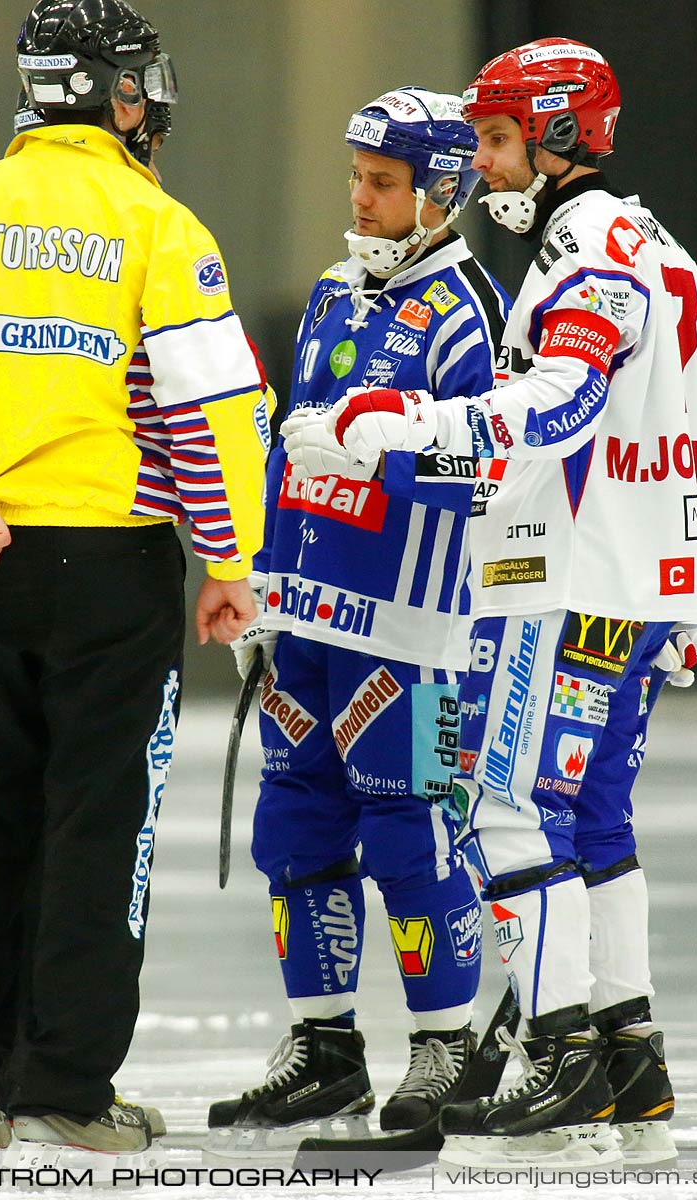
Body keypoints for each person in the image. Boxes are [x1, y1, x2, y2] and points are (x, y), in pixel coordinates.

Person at [283, 37, 697, 1168]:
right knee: (596, 821)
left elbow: (561, 404)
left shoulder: (584, 248)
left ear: (564, 134)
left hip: (566, 583)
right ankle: (630, 1056)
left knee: (509, 810)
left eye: (497, 139)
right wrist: (688, 569)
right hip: (636, 581)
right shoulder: (657, 244)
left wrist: (400, 426)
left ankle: (562, 1048)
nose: (485, 166)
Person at [0, 0, 267, 1163]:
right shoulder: (157, 224)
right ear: (119, 96)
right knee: (97, 820)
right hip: (110, 568)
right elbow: (215, 413)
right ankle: (66, 1087)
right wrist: (229, 564)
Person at [207, 87, 509, 1153]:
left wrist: (393, 454)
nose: (363, 197)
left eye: (383, 181)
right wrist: (258, 582)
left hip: (416, 634)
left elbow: (499, 476)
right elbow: (286, 454)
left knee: (414, 831)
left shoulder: (473, 313)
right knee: (293, 825)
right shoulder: (336, 294)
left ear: (441, 189)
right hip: (307, 622)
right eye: (357, 177)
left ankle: (447, 1044)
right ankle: (325, 1051)